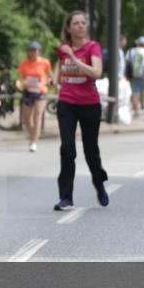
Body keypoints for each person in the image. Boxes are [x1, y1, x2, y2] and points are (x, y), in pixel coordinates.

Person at [52, 11, 109, 211]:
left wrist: (73, 58)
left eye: (83, 23)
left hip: (89, 104)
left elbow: (96, 72)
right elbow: (59, 68)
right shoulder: (63, 49)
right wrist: (54, 78)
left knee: (90, 150)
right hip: (67, 103)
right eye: (76, 23)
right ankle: (66, 197)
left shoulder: (93, 47)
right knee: (68, 150)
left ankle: (99, 183)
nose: (80, 26)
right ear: (68, 28)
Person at [17, 41, 53, 152]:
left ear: (39, 51)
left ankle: (34, 142)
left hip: (40, 92)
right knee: (26, 120)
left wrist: (49, 82)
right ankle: (34, 135)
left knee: (37, 116)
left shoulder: (45, 62)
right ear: (28, 51)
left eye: (35, 50)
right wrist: (18, 84)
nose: (33, 52)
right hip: (28, 91)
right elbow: (19, 78)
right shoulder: (24, 63)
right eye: (31, 50)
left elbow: (50, 77)